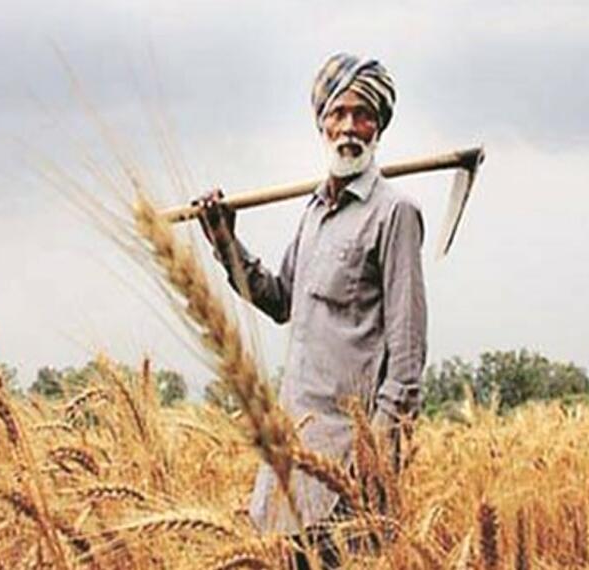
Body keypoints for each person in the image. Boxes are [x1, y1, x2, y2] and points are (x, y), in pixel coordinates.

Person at [196, 53, 427, 567]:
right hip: (291, 458)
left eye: (363, 114)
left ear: (379, 126)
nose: (349, 126)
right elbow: (280, 300)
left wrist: (377, 461)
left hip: (348, 468)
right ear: (322, 122)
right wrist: (225, 242)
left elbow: (408, 359)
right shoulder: (313, 216)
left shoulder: (395, 214)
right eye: (338, 113)